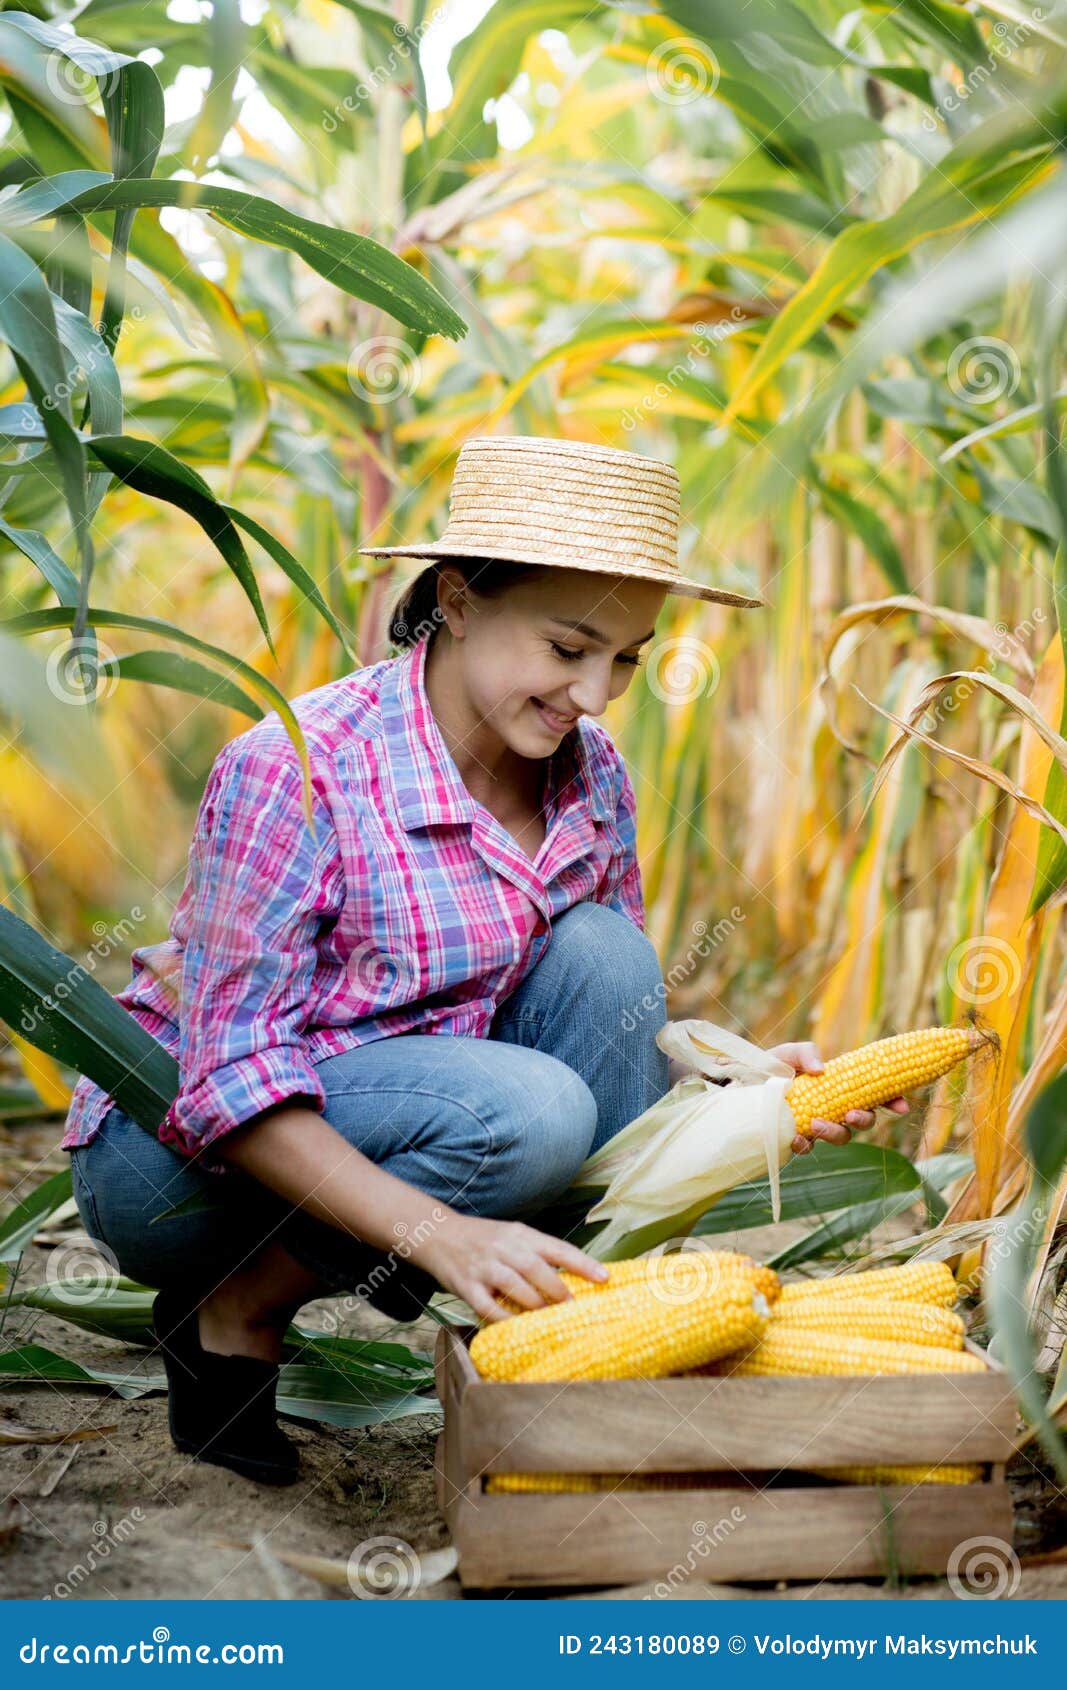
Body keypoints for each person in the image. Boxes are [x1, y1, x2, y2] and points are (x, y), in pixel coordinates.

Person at [62, 435, 905, 1487]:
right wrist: (441, 1235)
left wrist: (741, 1090)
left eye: (627, 659)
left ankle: (568, 1364)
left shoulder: (589, 776)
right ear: (455, 600)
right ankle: (235, 1306)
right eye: (566, 648)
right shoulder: (299, 766)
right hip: (176, 1162)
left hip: (428, 1105)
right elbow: (230, 1072)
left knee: (606, 957)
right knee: (533, 1111)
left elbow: (603, 1031)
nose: (594, 694)